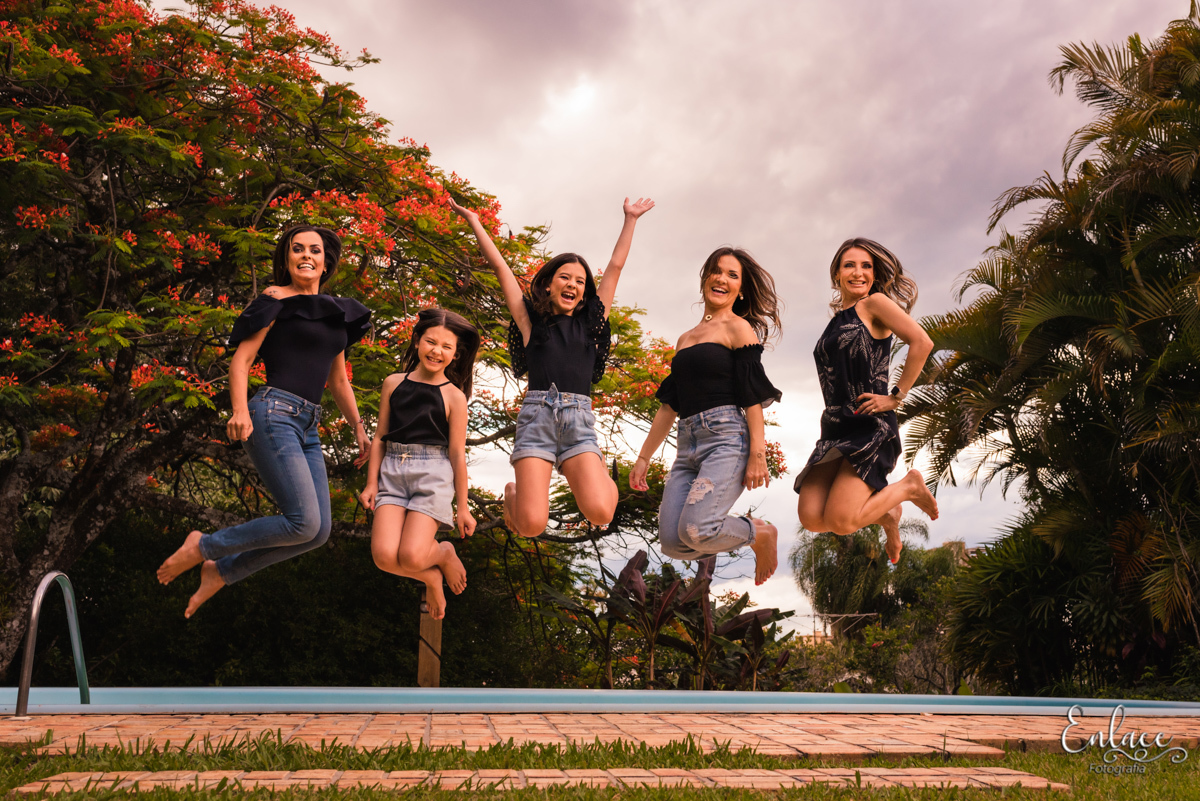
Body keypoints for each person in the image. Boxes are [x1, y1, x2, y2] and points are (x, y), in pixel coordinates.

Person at [156, 225, 372, 617]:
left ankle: (221, 571)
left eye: (315, 250)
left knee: (317, 532)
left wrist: (358, 426)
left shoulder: (337, 312)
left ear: (326, 262)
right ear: (287, 260)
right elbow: (241, 362)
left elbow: (339, 380)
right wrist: (239, 410)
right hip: (273, 414)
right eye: (297, 249)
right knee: (303, 522)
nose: (306, 255)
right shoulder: (275, 301)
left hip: (308, 425)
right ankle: (203, 546)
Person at [448, 195, 654, 537]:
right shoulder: (531, 323)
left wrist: (630, 219)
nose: (572, 284)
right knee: (530, 526)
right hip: (537, 422)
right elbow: (500, 268)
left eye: (580, 281)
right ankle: (513, 494)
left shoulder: (591, 324)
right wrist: (474, 221)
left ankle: (598, 470)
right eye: (564, 277)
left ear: (585, 293)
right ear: (548, 284)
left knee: (602, 512)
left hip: (579, 425)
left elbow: (615, 267)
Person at [630, 247, 783, 585]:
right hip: (687, 445)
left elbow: (752, 398)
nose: (722, 279)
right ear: (704, 279)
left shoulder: (739, 329)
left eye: (732, 275)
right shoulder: (685, 339)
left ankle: (760, 534)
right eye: (716, 271)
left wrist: (758, 453)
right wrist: (643, 458)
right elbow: (669, 406)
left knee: (697, 529)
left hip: (726, 438)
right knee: (673, 542)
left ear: (740, 290)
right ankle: (751, 532)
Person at [793, 237, 938, 564]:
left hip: (870, 424)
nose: (858, 273)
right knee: (812, 517)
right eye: (849, 265)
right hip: (836, 426)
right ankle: (888, 513)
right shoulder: (836, 321)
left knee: (842, 521)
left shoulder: (874, 304)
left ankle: (908, 487)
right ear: (837, 274)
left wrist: (895, 397)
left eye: (866, 266)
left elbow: (922, 342)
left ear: (874, 275)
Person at [359, 308, 479, 620]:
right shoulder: (393, 383)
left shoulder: (455, 397)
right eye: (430, 342)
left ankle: (444, 553)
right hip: (392, 472)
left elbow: (457, 454)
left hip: (432, 475)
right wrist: (371, 484)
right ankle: (431, 577)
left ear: (455, 354)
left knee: (412, 556)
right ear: (416, 341)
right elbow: (380, 437)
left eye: (446, 346)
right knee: (384, 557)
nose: (437, 351)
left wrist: (463, 507)